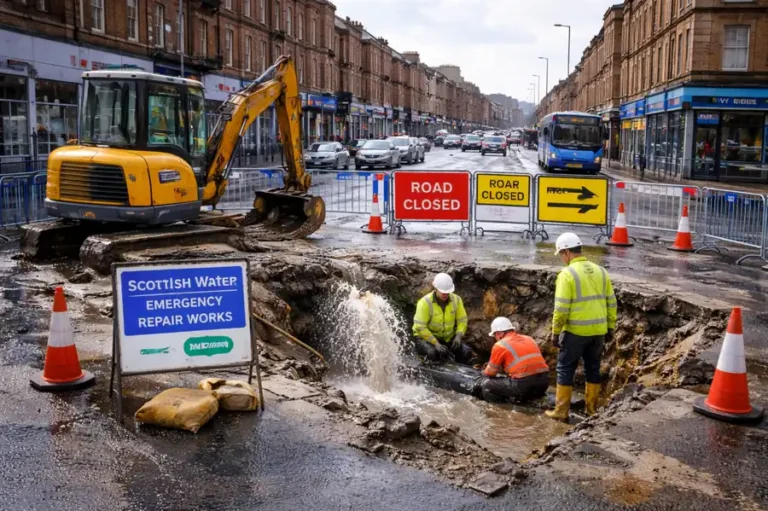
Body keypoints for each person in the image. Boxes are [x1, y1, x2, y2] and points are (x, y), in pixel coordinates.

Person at [545, 233, 617, 421]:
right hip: (599, 332)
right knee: (593, 369)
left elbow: (560, 309)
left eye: (561, 254)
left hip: (576, 331)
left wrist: (556, 332)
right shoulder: (601, 271)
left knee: (565, 369)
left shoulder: (567, 274)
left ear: (567, 252)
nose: (562, 258)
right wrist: (610, 327)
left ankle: (561, 412)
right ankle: (591, 410)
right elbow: (611, 302)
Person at [480, 317, 549, 403]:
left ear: (498, 333)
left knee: (487, 385)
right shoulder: (529, 338)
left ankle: (499, 410)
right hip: (544, 382)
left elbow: (490, 372)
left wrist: (483, 372)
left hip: (524, 385)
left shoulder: (500, 345)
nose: (495, 338)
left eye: (495, 335)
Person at [413, 273, 474, 363]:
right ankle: (427, 367)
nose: (445, 294)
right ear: (436, 288)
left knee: (466, 352)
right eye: (443, 292)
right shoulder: (425, 303)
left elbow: (462, 320)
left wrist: (458, 336)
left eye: (447, 292)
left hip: (447, 338)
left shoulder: (456, 300)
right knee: (432, 353)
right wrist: (435, 343)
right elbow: (420, 327)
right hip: (426, 339)